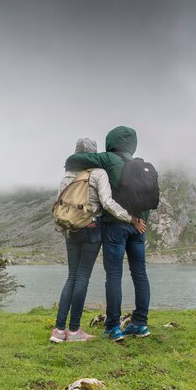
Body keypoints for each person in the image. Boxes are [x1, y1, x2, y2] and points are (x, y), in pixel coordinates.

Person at [50, 138, 146, 343]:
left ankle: (58, 330)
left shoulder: (66, 175)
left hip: (70, 228)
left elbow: (59, 202)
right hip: (91, 229)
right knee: (83, 277)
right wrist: (130, 218)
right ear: (93, 154)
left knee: (71, 277)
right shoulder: (98, 173)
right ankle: (75, 330)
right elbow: (108, 203)